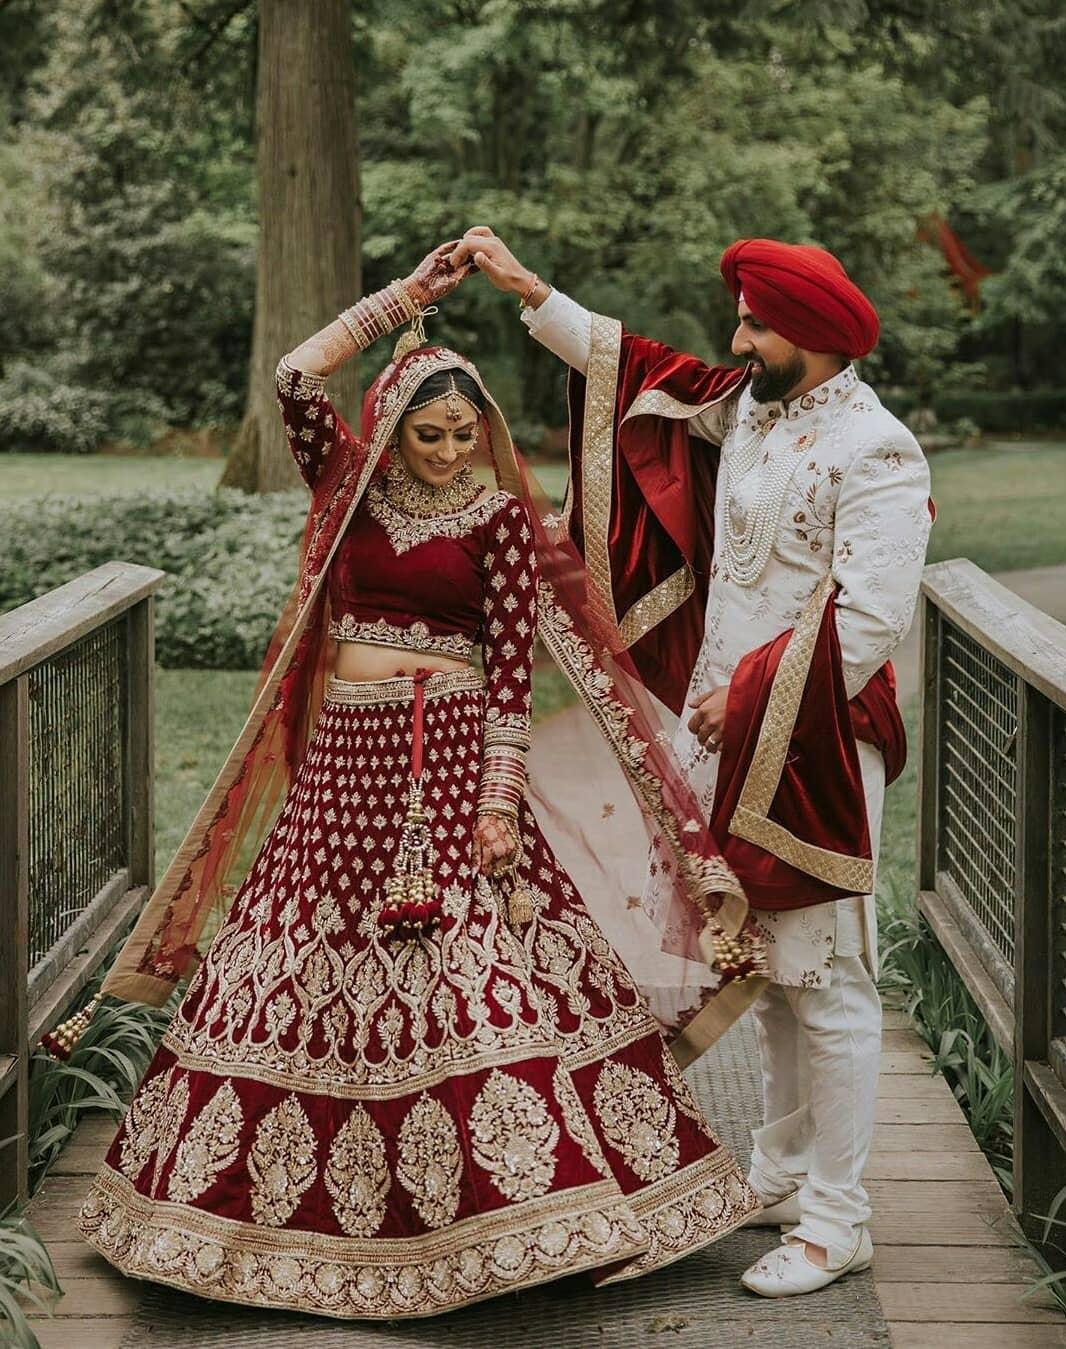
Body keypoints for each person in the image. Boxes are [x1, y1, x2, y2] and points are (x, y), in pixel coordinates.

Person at [75, 244, 759, 1320]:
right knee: (299, 948)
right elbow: (296, 379)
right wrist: (406, 300)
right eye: (427, 433)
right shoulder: (346, 483)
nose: (448, 451)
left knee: (469, 964)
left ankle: (519, 1216)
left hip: (447, 768)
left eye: (463, 433)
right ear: (389, 428)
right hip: (343, 763)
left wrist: (496, 796)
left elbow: (505, 668)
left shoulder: (493, 519)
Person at [450, 226, 933, 1297]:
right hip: (720, 739)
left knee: (830, 981)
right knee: (760, 968)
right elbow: (642, 372)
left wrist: (745, 696)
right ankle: (781, 1166)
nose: (735, 335)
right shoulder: (755, 407)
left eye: (754, 322)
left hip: (809, 751)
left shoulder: (877, 449)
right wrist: (534, 295)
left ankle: (837, 1219)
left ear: (805, 333)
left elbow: (868, 618)